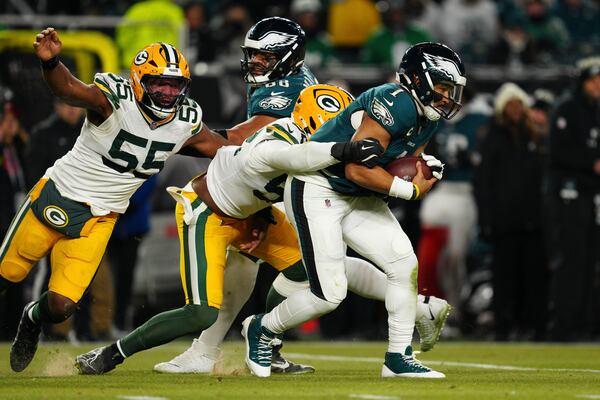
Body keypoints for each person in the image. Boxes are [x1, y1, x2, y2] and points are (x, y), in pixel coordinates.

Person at [74, 84, 385, 375]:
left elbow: (270, 187)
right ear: (316, 123)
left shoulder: (307, 141)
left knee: (307, 269)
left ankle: (266, 338)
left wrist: (262, 217)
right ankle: (111, 353)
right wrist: (345, 151)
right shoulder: (277, 143)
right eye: (339, 127)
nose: (345, 133)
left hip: (250, 210)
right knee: (201, 313)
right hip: (207, 211)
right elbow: (293, 162)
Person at [1, 27, 231, 373]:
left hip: (100, 219)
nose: (168, 92)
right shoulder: (114, 100)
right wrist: (52, 64)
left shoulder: (184, 122)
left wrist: (270, 141)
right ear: (140, 81)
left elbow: (221, 146)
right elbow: (70, 90)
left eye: (175, 85)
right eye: (159, 83)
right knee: (6, 274)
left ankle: (32, 317)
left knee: (62, 306)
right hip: (56, 196)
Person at [242, 42, 466, 378]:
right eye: (443, 87)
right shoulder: (395, 102)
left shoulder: (427, 117)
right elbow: (357, 168)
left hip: (356, 193)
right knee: (329, 295)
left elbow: (403, 164)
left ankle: (399, 357)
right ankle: (262, 328)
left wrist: (424, 170)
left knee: (404, 263)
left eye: (452, 90)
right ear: (419, 80)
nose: (448, 97)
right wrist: (408, 188)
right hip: (317, 185)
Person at [474, 82, 547, 341]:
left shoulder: (536, 137)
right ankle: (504, 327)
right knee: (505, 278)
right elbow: (483, 183)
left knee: (534, 277)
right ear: (503, 108)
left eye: (519, 104)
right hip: (504, 221)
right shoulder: (492, 137)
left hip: (533, 219)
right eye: (511, 104)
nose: (516, 109)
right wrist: (486, 219)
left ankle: (534, 326)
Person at [545, 57, 600, 341]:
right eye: (593, 80)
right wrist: (592, 163)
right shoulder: (568, 108)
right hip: (569, 195)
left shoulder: (595, 112)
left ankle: (585, 323)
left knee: (590, 261)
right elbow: (558, 153)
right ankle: (562, 325)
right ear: (582, 82)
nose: (598, 86)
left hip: (591, 197)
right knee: (571, 260)